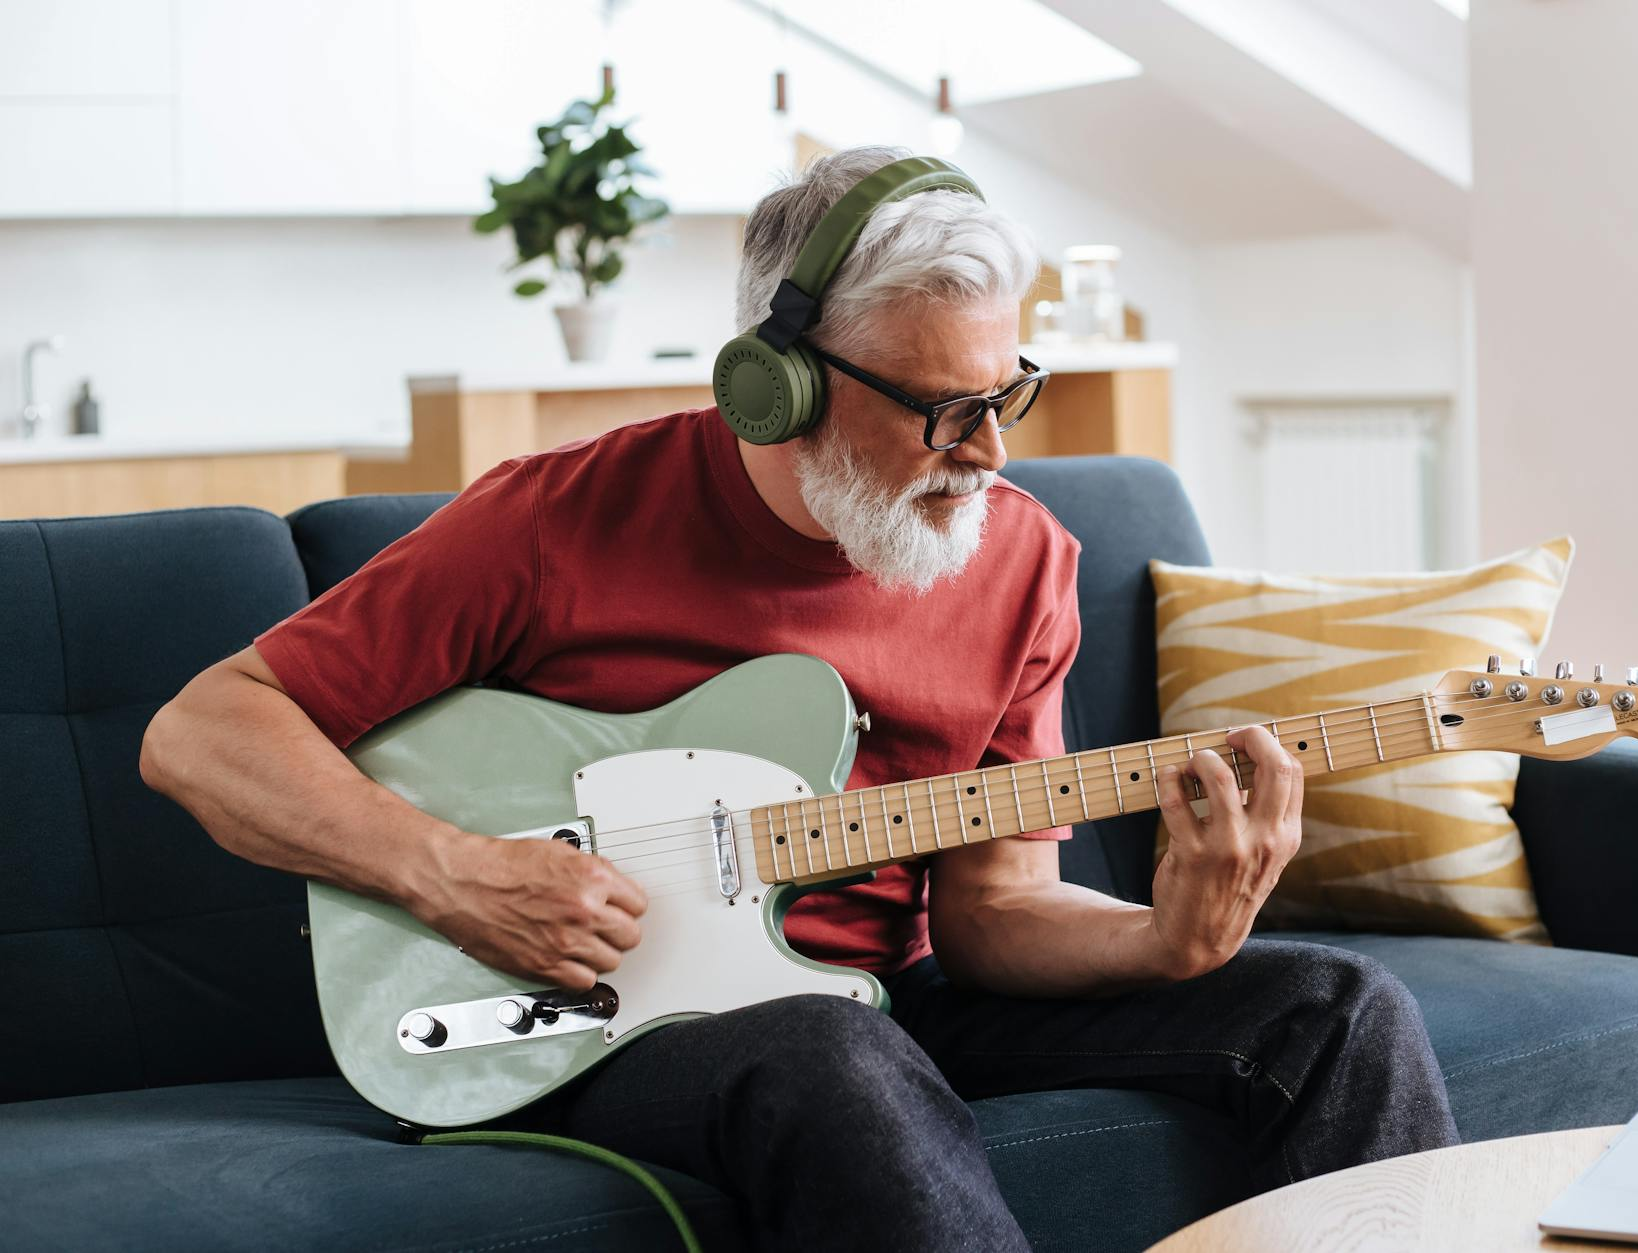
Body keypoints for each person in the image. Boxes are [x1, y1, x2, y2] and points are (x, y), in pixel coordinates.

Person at [140, 145, 1458, 1249]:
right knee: (835, 1061)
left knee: (1342, 1012)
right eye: (946, 412)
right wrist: (451, 871)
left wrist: (1163, 942)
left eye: (1007, 396)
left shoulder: (1023, 556)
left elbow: (991, 910)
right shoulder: (556, 519)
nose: (989, 455)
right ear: (780, 385)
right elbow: (206, 728)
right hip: (619, 1019)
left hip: (898, 993)